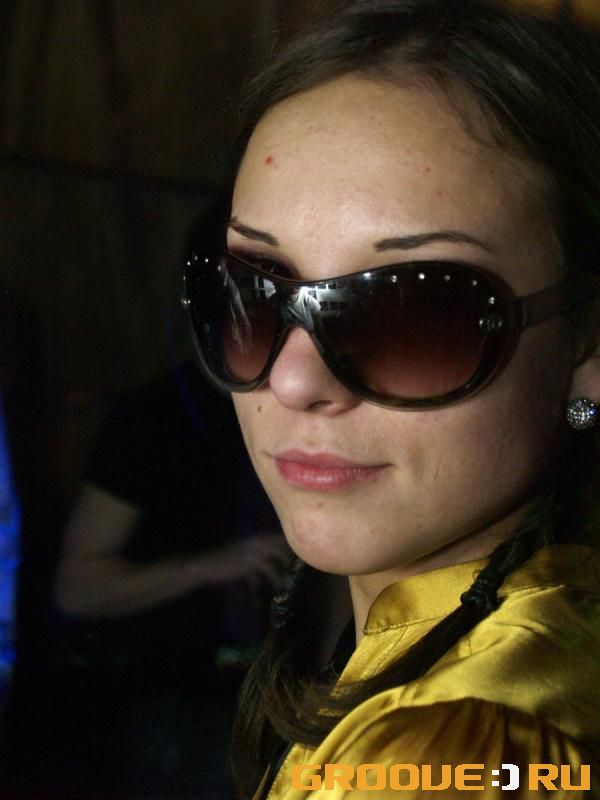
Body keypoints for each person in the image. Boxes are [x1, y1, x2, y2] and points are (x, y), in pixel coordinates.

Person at [182, 1, 600, 797]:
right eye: (253, 294)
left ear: (588, 344)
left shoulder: (459, 749)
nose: (294, 380)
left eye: (416, 312)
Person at [54, 361, 291, 796]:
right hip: (187, 710)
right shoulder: (155, 415)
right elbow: (76, 589)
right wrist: (209, 565)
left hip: (296, 695)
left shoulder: (305, 402)